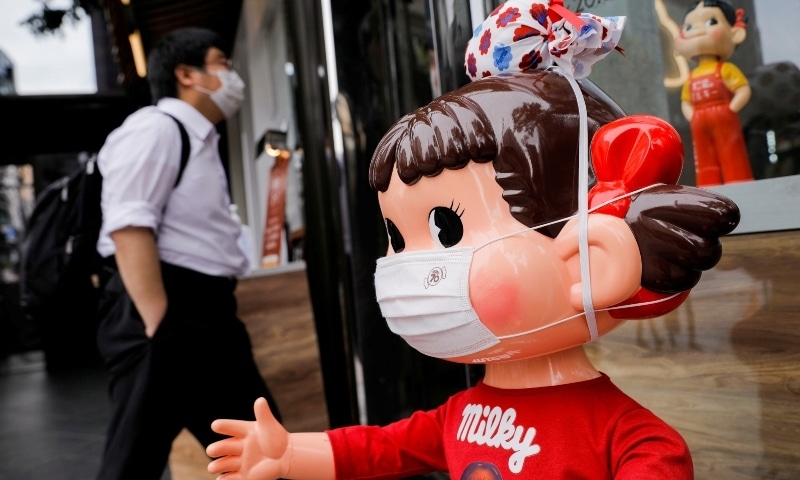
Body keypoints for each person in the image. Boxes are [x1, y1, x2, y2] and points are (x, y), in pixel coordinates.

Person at [205, 1, 739, 478]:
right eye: (395, 236)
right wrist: (289, 454)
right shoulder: (460, 413)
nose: (406, 267)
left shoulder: (635, 444)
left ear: (590, 260)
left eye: (446, 228)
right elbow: (379, 450)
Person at [93, 27, 281, 479]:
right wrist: (161, 327)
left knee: (265, 449)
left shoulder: (199, 139)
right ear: (186, 74)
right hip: (165, 310)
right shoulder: (156, 129)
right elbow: (129, 227)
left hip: (207, 314)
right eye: (223, 64)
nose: (231, 75)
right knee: (132, 463)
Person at [674, 0, 754, 187]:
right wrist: (692, 115)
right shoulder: (692, 75)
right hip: (700, 118)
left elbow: (743, 89)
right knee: (703, 156)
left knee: (731, 151)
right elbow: (686, 100)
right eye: (690, 26)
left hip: (723, 113)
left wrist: (730, 108)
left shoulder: (725, 69)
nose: (697, 30)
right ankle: (709, 188)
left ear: (735, 32)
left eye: (711, 22)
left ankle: (740, 183)